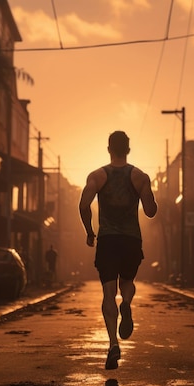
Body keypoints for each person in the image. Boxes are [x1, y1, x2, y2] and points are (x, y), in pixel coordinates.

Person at [79, 130, 157, 370]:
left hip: (108, 240)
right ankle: (127, 303)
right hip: (131, 239)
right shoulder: (140, 177)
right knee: (127, 283)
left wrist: (90, 232)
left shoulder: (97, 176)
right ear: (129, 150)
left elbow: (83, 205)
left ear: (109, 149)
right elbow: (151, 211)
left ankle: (113, 344)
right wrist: (148, 191)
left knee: (107, 292)